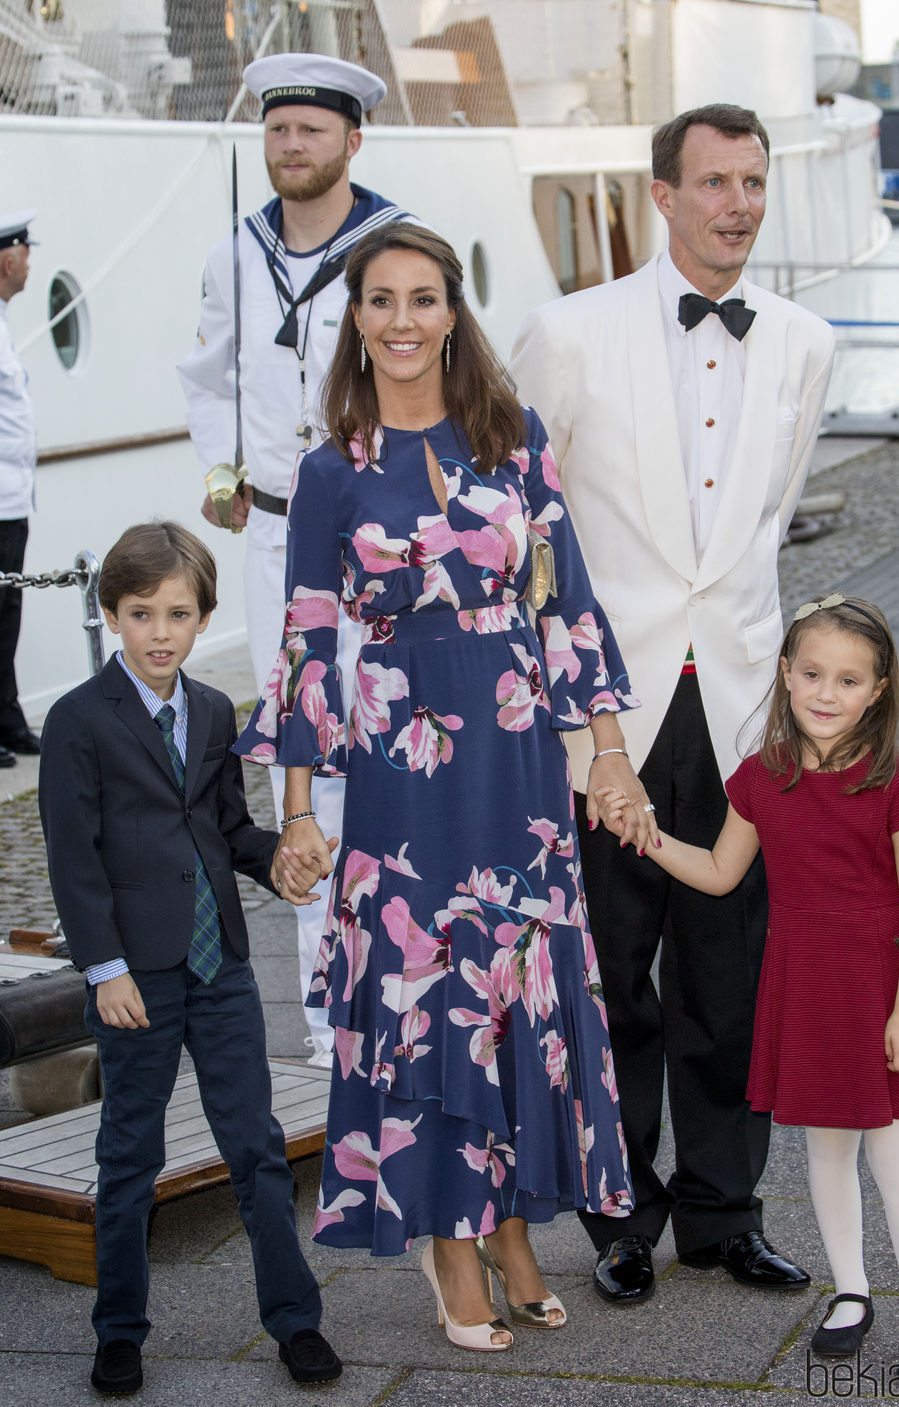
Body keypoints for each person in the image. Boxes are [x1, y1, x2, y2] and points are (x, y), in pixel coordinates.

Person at [234, 223, 635, 1351]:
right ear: (353, 319)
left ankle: (508, 1222)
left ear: (452, 312)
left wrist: (604, 752)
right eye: (379, 302)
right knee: (423, 982)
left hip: (512, 755)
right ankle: (448, 1244)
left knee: (516, 977)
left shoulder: (511, 441)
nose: (401, 321)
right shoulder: (328, 473)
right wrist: (299, 812)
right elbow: (309, 645)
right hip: (403, 757)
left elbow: (567, 602)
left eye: (422, 299)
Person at [510, 102, 835, 1303]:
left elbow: (762, 526)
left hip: (743, 700)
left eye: (752, 182)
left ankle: (721, 1214)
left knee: (729, 974)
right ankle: (614, 1215)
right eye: (713, 182)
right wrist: (561, 719)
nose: (737, 205)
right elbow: (524, 538)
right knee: (606, 972)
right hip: (603, 711)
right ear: (661, 193)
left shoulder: (802, 342)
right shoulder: (564, 332)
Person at [597, 594, 899, 1373]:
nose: (827, 694)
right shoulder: (761, 778)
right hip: (806, 989)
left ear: (881, 688)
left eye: (850, 680)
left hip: (878, 989)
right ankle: (853, 1290)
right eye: (813, 674)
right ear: (785, 675)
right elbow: (722, 873)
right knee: (826, 1152)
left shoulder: (897, 785)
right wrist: (648, 833)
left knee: (896, 1156)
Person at [38, 521, 343, 1396]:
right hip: (135, 975)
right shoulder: (76, 721)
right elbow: (74, 857)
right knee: (129, 1153)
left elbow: (224, 827)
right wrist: (105, 970)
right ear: (112, 615)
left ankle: (296, 1321)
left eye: (177, 613)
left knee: (257, 1144)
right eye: (141, 614)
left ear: (203, 618)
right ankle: (119, 1332)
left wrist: (276, 864)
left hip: (221, 969)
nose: (160, 632)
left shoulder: (213, 711)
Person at [178, 53, 414, 1066]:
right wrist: (220, 468)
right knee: (299, 766)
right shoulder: (235, 254)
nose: (291, 148)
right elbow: (207, 370)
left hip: (377, 540)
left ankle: (404, 986)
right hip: (277, 537)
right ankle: (327, 1020)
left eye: (311, 131)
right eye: (278, 132)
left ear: (351, 141)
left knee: (400, 747)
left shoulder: (395, 251)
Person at [0, 209, 41, 766]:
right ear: (8, 258)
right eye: (28, 252)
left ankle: (7, 719)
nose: (30, 263)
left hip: (12, 497)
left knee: (7, 612)